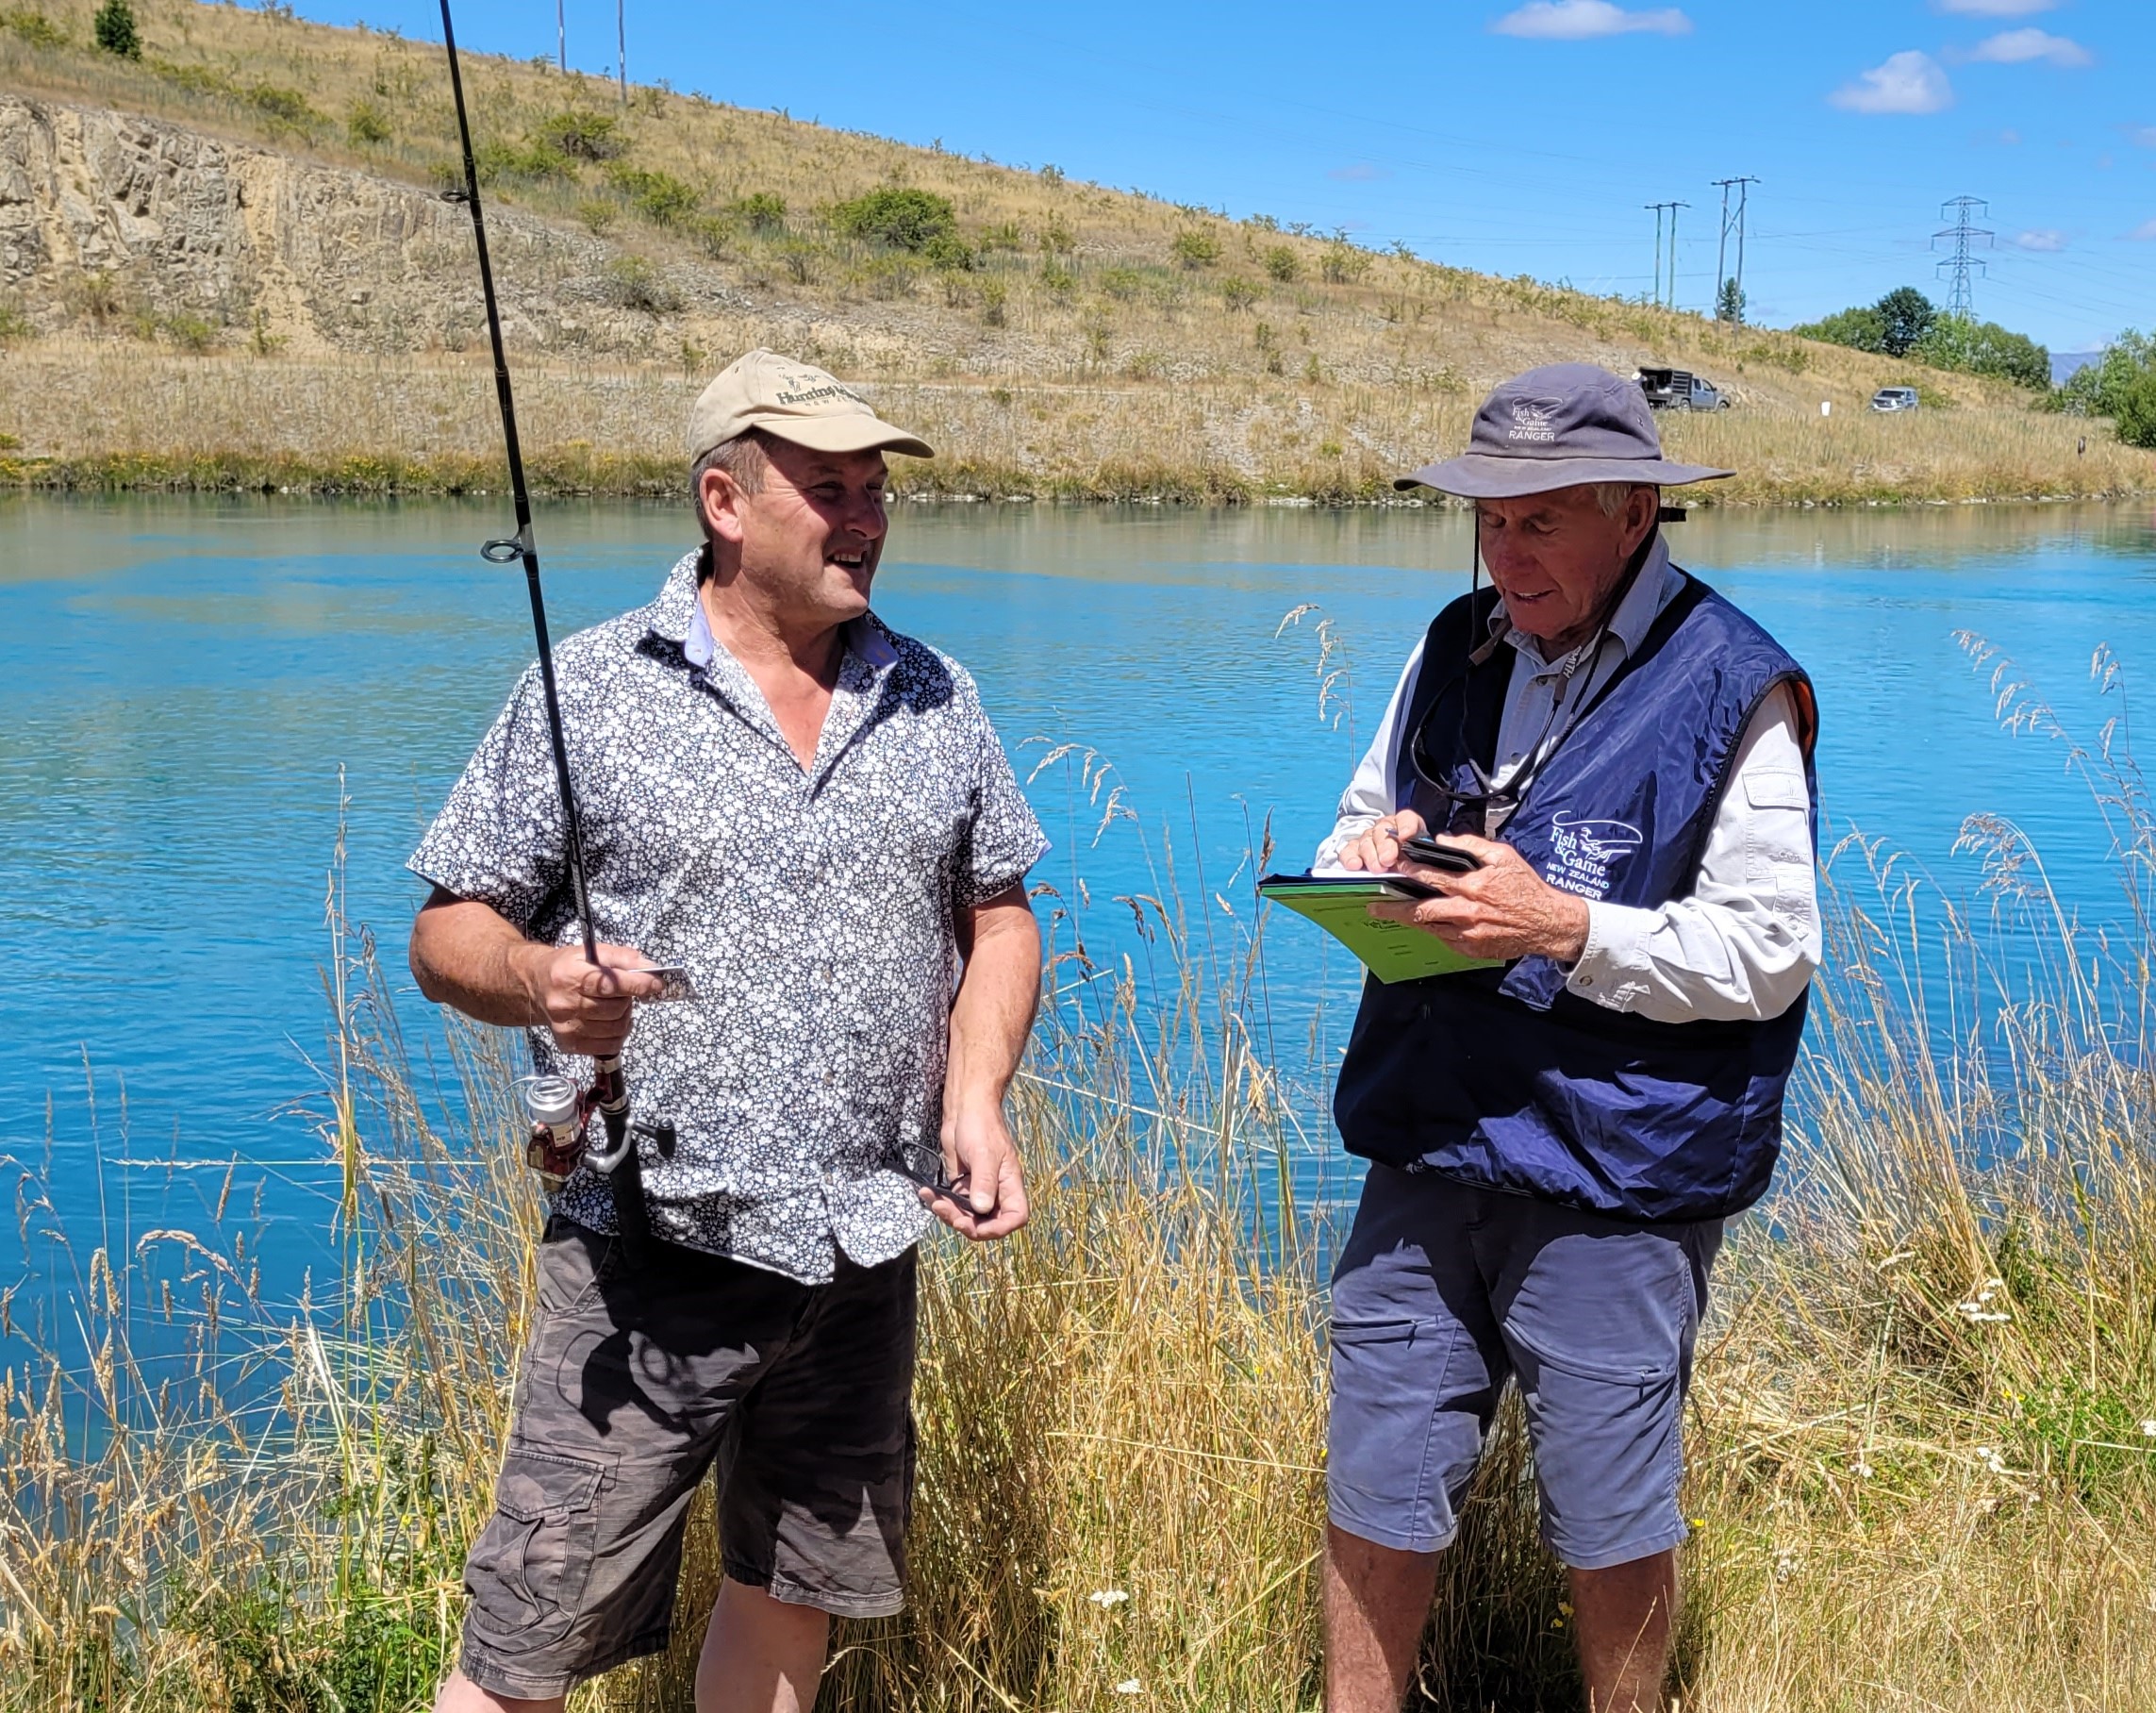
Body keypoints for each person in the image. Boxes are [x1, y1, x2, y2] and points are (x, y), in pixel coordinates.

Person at [406, 348, 1049, 1713]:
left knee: (788, 1604)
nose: (866, 517)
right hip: (648, 1248)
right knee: (525, 1644)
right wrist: (537, 976)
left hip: (866, 1243)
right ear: (725, 501)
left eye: (877, 489)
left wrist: (975, 1097)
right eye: (830, 489)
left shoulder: (936, 697)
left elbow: (998, 916)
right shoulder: (588, 691)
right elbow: (445, 936)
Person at [1316, 364, 1820, 1713]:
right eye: (1486, 519)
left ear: (1635, 511)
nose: (1502, 552)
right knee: (1374, 1483)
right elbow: (1351, 822)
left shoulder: (1736, 683)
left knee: (1608, 1515)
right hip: (1426, 1141)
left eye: (1538, 522)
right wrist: (1368, 858)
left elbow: (1770, 956)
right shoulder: (1449, 642)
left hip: (1616, 1171)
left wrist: (1564, 931)